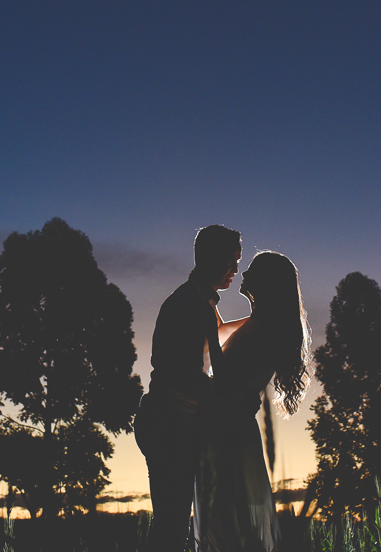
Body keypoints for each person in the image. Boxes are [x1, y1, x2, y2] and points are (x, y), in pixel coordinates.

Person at [194, 251, 312, 552]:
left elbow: (223, 379)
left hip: (229, 432)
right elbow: (219, 332)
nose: (244, 273)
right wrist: (208, 299)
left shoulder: (266, 329)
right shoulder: (257, 322)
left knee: (229, 520)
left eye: (253, 270)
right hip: (226, 428)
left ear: (267, 282)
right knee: (226, 520)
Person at [136, 225, 242, 552]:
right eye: (231, 261)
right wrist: (233, 401)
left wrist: (258, 320)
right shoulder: (192, 304)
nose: (236, 270)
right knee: (172, 527)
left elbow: (220, 330)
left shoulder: (196, 298)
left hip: (166, 420)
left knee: (172, 524)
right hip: (169, 425)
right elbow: (191, 374)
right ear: (212, 259)